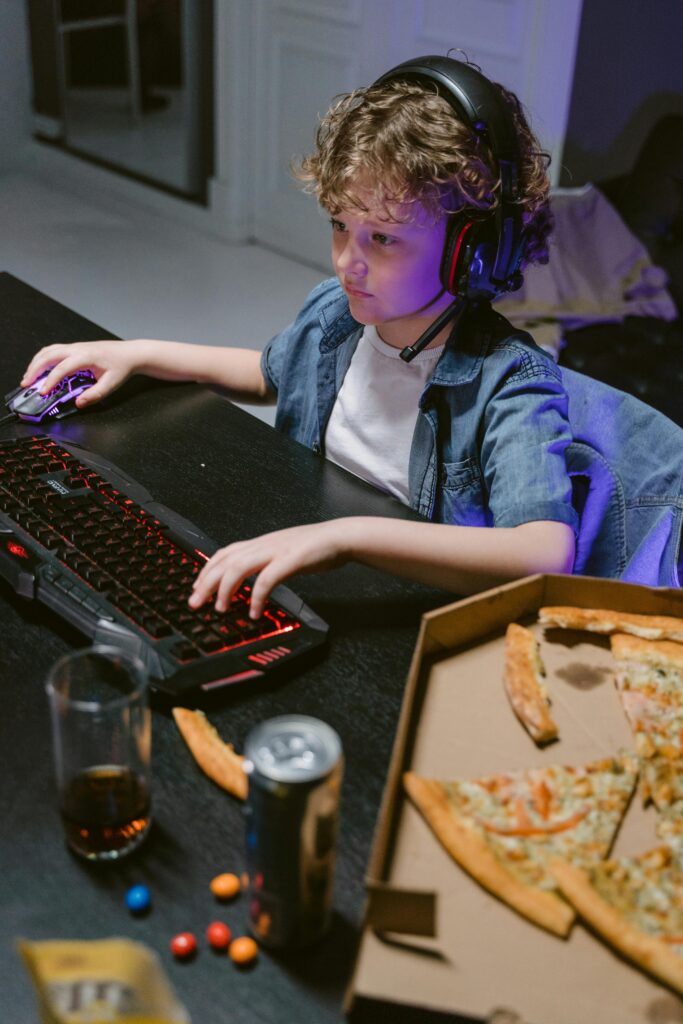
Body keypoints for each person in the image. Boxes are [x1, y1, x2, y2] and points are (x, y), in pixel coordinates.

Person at [21, 56, 683, 619]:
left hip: (403, 608)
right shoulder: (337, 314)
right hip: (325, 582)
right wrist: (137, 353)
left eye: (384, 239)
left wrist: (347, 537)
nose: (348, 262)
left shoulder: (507, 382)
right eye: (341, 225)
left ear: (471, 250)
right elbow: (270, 372)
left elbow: (541, 552)